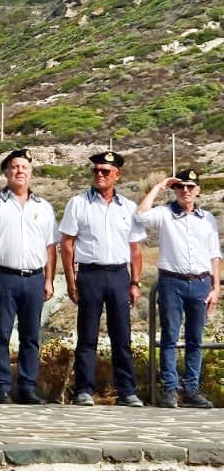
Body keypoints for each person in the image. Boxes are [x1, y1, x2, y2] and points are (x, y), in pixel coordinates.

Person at [59, 150, 146, 407]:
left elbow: (135, 250)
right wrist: (71, 281)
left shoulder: (129, 208)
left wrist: (136, 282)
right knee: (87, 335)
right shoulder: (78, 203)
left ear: (116, 175)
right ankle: (84, 390)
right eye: (96, 170)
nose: (100, 175)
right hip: (91, 274)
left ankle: (127, 391)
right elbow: (67, 245)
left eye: (105, 171)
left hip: (119, 275)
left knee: (122, 335)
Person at [0, 148, 57, 405]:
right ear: (6, 172)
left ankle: (28, 386)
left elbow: (50, 247)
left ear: (31, 173)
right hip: (4, 277)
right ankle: (1, 386)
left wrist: (49, 279)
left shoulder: (44, 207)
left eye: (24, 167)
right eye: (14, 167)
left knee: (31, 335)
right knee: (1, 332)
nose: (20, 171)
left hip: (34, 278)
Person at [136, 168, 221, 408]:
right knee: (170, 337)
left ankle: (192, 390)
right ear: (175, 190)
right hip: (172, 282)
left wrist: (216, 288)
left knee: (195, 339)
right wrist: (158, 186)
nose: (185, 191)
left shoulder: (208, 219)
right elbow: (140, 216)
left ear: (198, 190)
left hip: (201, 283)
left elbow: (214, 255)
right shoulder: (164, 213)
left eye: (190, 187)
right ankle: (170, 389)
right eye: (180, 186)